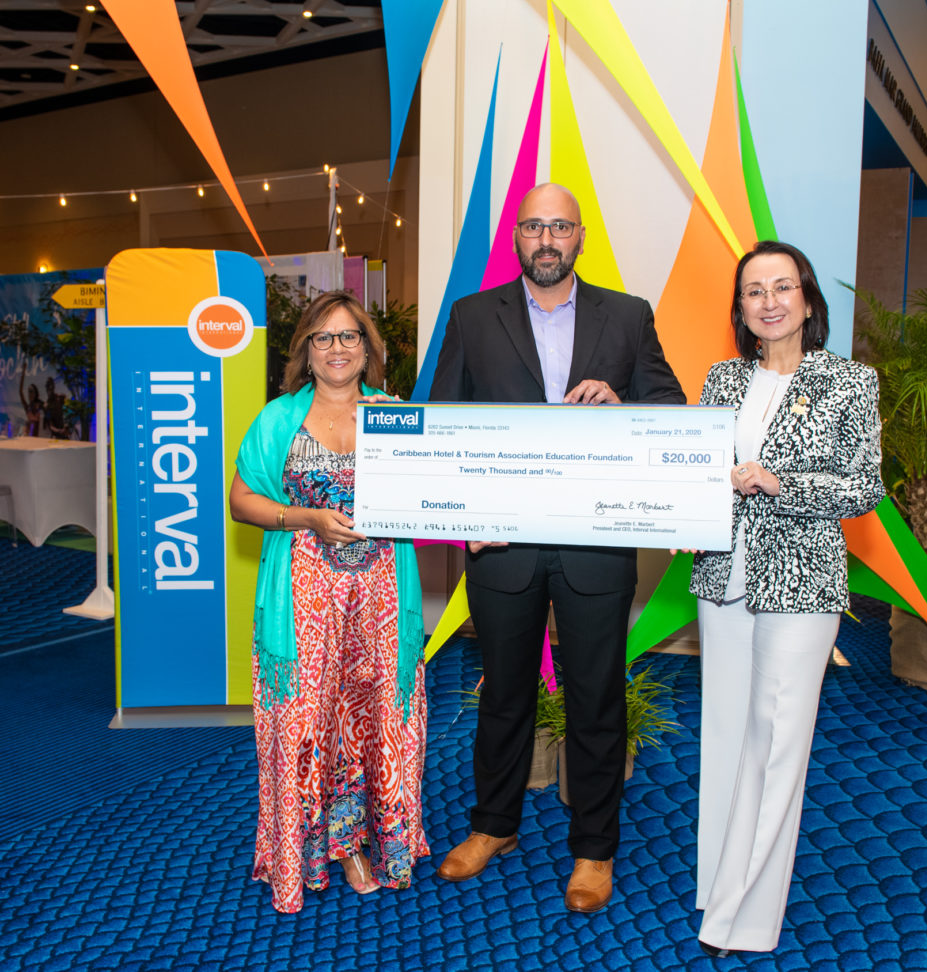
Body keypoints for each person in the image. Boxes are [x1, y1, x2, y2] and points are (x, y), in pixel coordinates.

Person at [430, 183, 685, 912]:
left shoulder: (628, 316)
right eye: (534, 225)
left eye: (560, 227)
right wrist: (463, 513)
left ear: (580, 237)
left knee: (596, 697)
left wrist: (623, 404)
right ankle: (493, 826)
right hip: (500, 543)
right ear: (518, 236)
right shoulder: (473, 317)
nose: (547, 238)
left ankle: (594, 849)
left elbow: (668, 409)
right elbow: (446, 422)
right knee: (503, 693)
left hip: (595, 542)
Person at [688, 241, 885, 956]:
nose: (768, 302)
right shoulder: (721, 378)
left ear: (806, 298)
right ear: (739, 308)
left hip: (801, 583)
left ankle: (745, 915)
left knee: (776, 741)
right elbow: (699, 471)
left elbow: (863, 487)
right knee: (727, 734)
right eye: (752, 291)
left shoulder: (849, 382)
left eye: (782, 287)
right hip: (723, 577)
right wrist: (685, 518)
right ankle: (717, 883)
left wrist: (780, 483)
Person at [229, 291, 428, 914]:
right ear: (306, 352)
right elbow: (241, 502)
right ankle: (305, 852)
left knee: (378, 717)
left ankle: (366, 843)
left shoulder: (397, 414)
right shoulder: (278, 419)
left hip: (383, 592)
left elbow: (434, 487)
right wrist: (306, 516)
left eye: (349, 337)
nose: (338, 348)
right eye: (324, 337)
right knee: (306, 718)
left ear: (367, 350)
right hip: (303, 593)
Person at [19, 362, 42, 436]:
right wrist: (23, 372)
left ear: (35, 393)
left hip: (37, 437)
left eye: (31, 391)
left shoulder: (40, 405)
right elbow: (20, 392)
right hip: (28, 435)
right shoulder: (28, 407)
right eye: (29, 392)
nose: (29, 394)